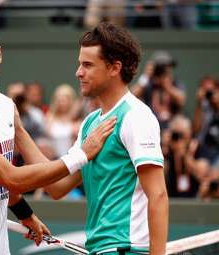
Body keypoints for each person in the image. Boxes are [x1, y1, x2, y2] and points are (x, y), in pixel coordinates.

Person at [0, 18, 116, 255]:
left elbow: (46, 186)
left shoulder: (6, 107)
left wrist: (26, 215)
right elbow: (11, 178)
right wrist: (82, 154)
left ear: (0, 53)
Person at [16, 22, 168, 255]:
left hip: (126, 249)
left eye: (87, 65)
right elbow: (57, 187)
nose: (78, 72)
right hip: (100, 249)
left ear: (114, 68)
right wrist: (18, 131)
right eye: (80, 64)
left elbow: (157, 195)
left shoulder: (136, 116)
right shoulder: (90, 123)